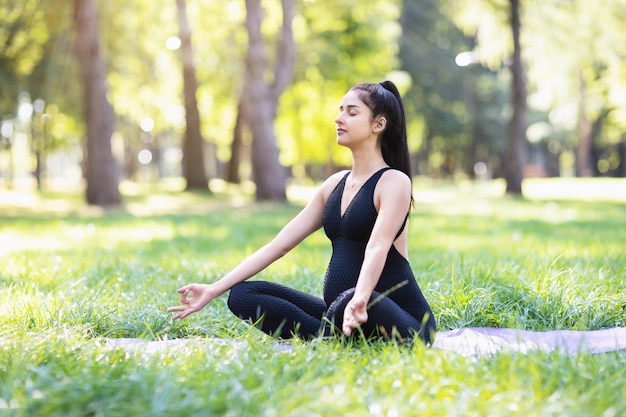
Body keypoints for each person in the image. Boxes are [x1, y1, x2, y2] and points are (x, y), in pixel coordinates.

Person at [167, 80, 436, 345]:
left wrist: (361, 298)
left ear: (379, 124)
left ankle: (336, 328)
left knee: (347, 301)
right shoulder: (334, 185)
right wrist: (214, 289)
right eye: (340, 110)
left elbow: (377, 247)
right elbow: (279, 246)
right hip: (343, 310)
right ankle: (331, 334)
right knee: (243, 295)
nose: (339, 118)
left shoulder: (393, 182)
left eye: (351, 112)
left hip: (399, 319)